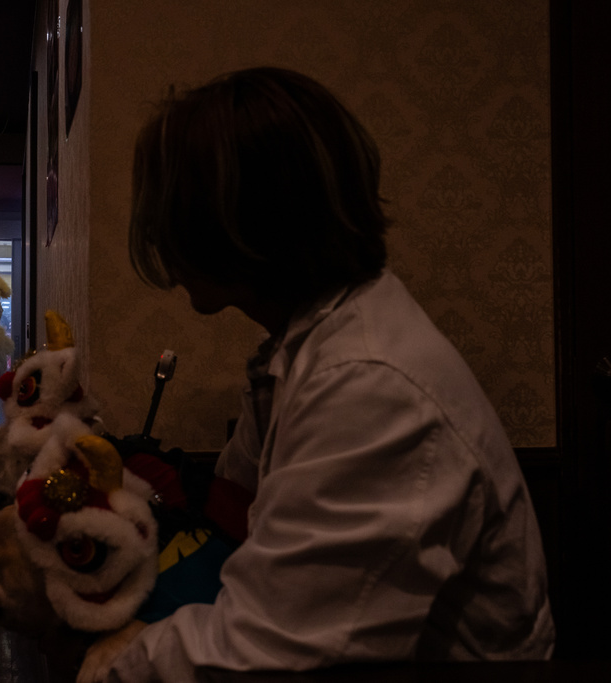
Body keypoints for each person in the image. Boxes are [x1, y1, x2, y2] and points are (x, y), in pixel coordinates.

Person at [105, 67, 555, 681]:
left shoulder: (367, 385)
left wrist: (108, 660)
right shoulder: (302, 348)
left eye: (171, 208)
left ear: (236, 219)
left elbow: (267, 656)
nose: (156, 231)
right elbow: (230, 529)